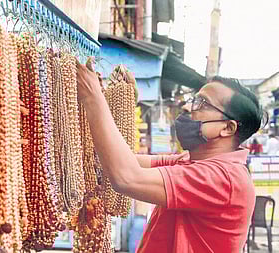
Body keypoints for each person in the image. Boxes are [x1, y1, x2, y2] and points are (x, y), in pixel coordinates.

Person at [76, 61, 262, 252]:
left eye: (202, 104)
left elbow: (126, 177)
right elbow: (127, 161)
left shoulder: (223, 179)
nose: (188, 108)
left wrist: (92, 98)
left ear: (227, 128)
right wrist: (120, 103)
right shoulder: (189, 161)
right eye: (193, 100)